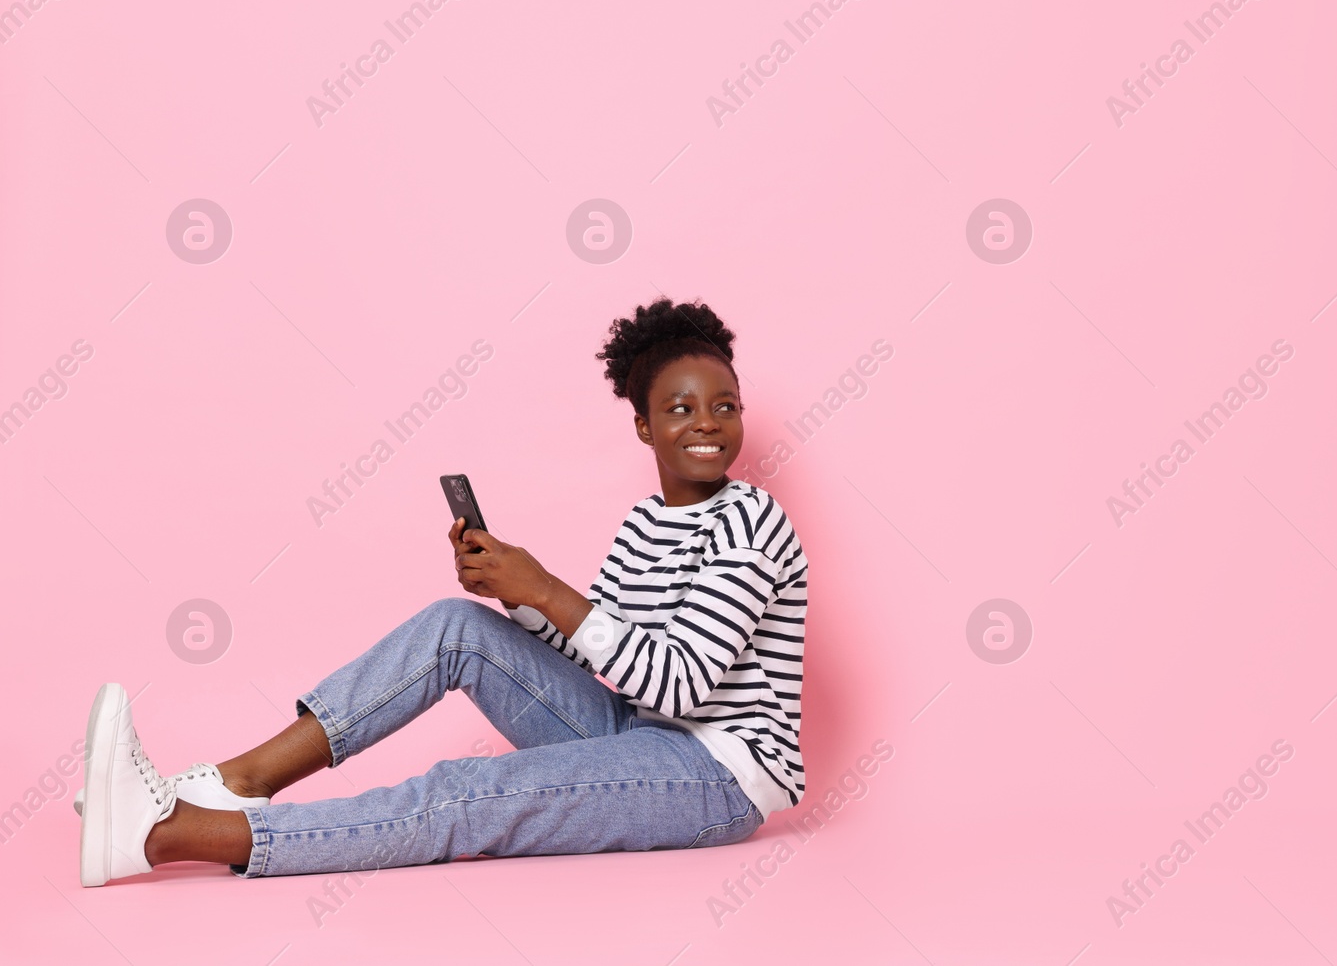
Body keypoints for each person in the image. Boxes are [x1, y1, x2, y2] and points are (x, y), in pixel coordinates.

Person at [78, 297, 808, 886]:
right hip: (634, 730)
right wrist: (512, 591)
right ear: (645, 425)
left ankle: (167, 830)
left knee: (465, 793)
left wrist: (548, 588)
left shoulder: (752, 521)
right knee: (455, 627)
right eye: (682, 409)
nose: (708, 422)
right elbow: (601, 652)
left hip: (718, 772)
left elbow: (679, 682)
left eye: (726, 405)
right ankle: (233, 781)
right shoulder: (647, 520)